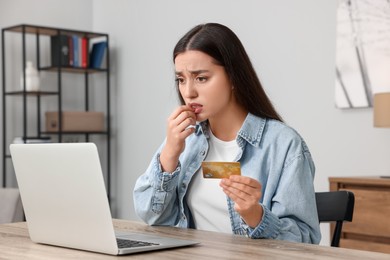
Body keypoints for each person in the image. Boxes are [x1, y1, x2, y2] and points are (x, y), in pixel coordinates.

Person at [133, 23, 321, 244]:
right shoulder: (185, 138)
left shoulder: (284, 145)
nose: (188, 92)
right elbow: (151, 216)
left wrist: (257, 217)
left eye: (201, 78)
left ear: (233, 77)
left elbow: (305, 240)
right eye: (181, 79)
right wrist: (169, 155)